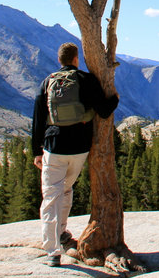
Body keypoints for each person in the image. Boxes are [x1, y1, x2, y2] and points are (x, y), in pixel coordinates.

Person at [31, 42, 118, 267]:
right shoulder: (86, 79)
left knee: (51, 197)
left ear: (59, 60)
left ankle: (52, 251)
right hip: (79, 148)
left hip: (54, 145)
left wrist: (36, 151)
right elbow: (105, 110)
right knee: (67, 189)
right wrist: (115, 97)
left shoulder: (47, 82)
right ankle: (61, 232)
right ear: (76, 59)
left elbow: (38, 119)